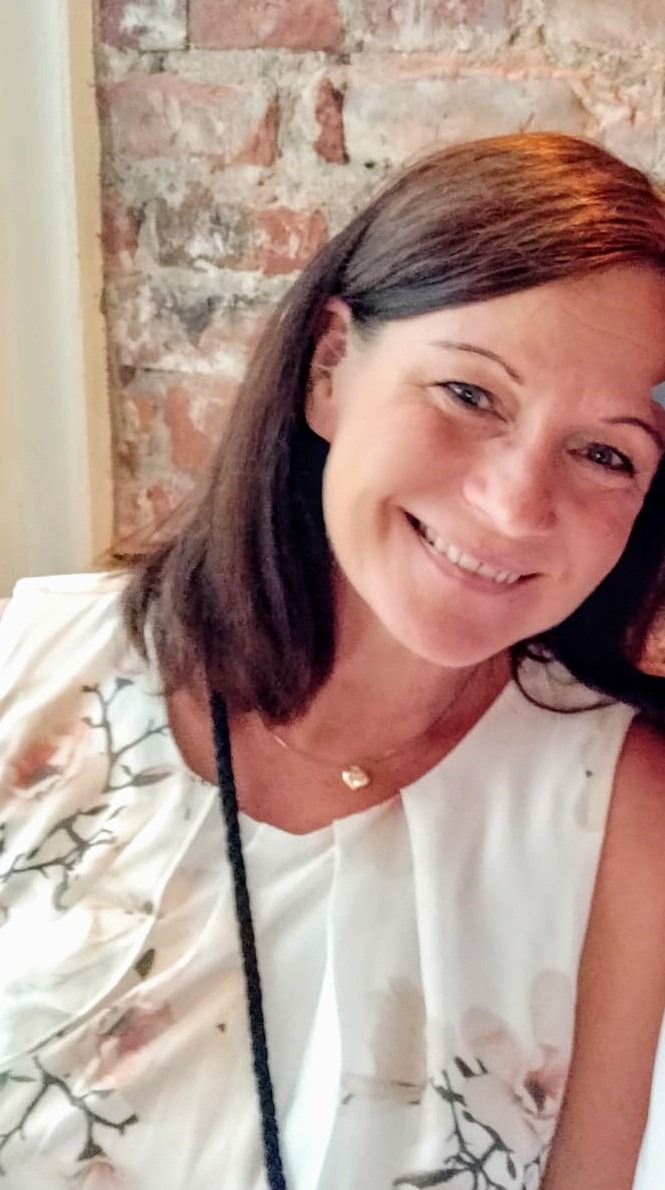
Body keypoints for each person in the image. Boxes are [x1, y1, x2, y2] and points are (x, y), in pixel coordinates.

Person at [2, 132, 665, 1190]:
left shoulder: (624, 809)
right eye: (469, 394)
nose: (514, 506)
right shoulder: (28, 674)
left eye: (603, 451)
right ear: (327, 368)